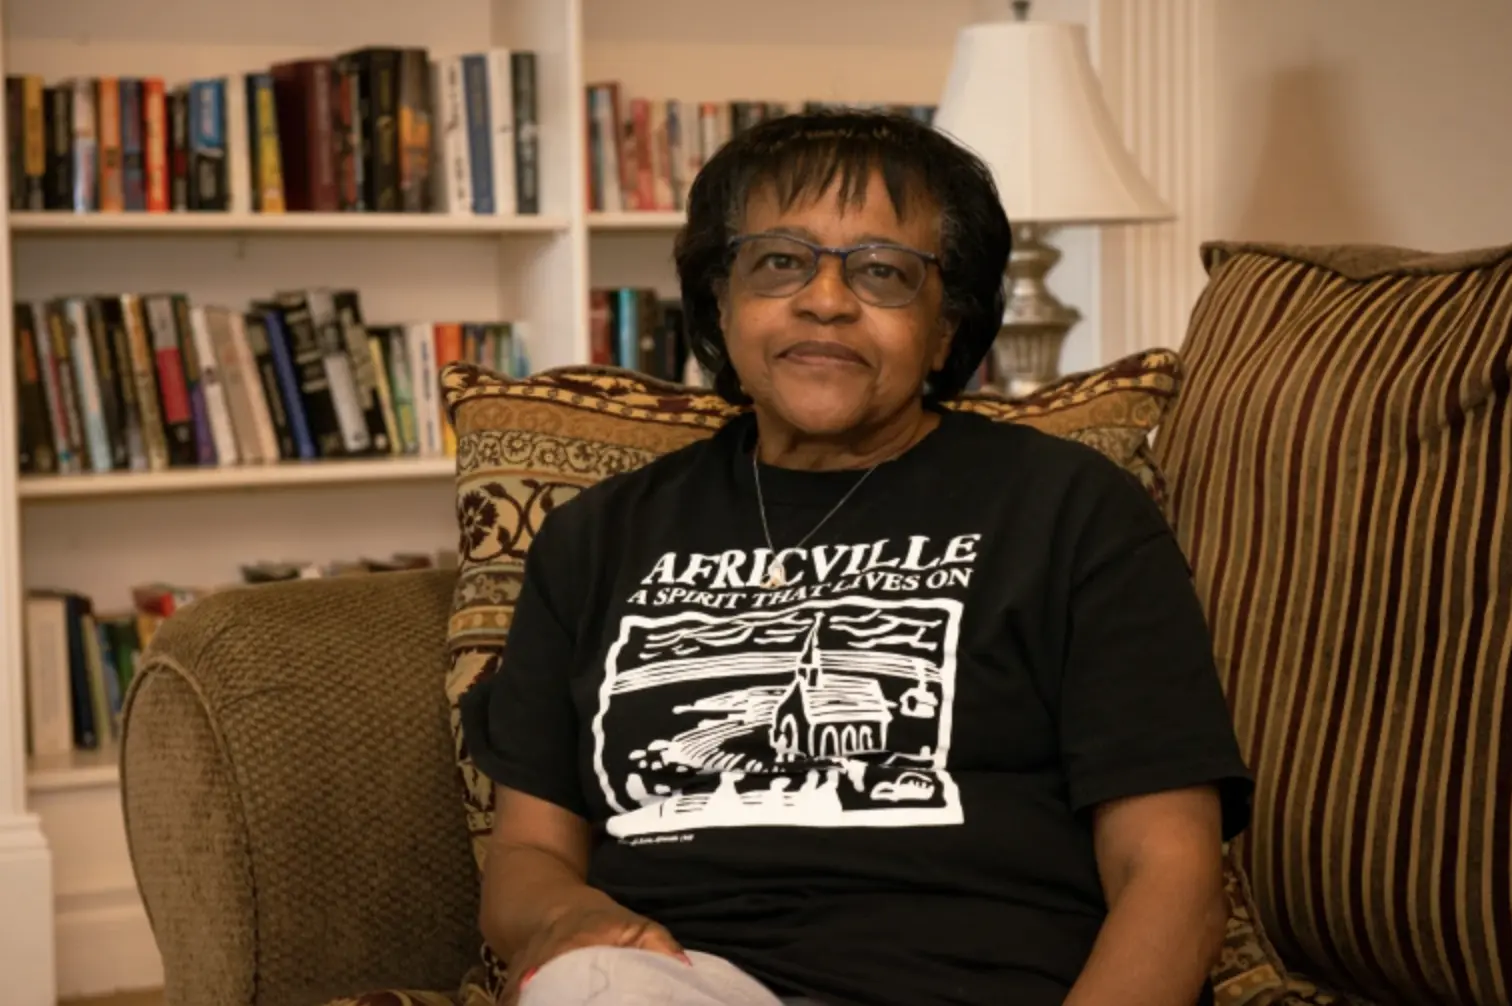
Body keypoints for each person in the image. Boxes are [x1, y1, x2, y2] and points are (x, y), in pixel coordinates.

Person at [459, 109, 1253, 1006]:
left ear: (947, 326)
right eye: (780, 260)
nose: (826, 299)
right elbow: (527, 857)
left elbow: (1171, 878)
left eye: (882, 271)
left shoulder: (1070, 510)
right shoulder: (598, 536)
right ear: (721, 303)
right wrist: (564, 921)